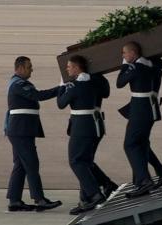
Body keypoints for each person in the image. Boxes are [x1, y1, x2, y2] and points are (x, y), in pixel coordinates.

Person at [4, 56, 62, 212]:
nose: (31, 69)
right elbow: (38, 96)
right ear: (20, 68)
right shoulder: (19, 84)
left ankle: (14, 200)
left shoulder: (18, 83)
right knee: (31, 164)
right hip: (20, 130)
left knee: (21, 165)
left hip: (20, 130)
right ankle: (39, 199)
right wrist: (61, 88)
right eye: (29, 67)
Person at [116, 42, 162, 198]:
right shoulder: (152, 65)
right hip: (148, 108)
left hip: (141, 109)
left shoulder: (137, 67)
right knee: (141, 143)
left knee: (131, 144)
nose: (123, 56)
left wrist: (124, 65)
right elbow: (161, 64)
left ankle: (144, 181)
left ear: (133, 53)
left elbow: (119, 83)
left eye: (124, 53)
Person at [57, 55, 106, 215]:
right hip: (93, 126)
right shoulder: (93, 83)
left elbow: (61, 103)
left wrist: (62, 86)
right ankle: (86, 199)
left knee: (76, 161)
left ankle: (94, 193)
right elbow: (105, 91)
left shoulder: (75, 86)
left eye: (69, 66)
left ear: (77, 68)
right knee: (84, 162)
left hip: (81, 128)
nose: (67, 69)